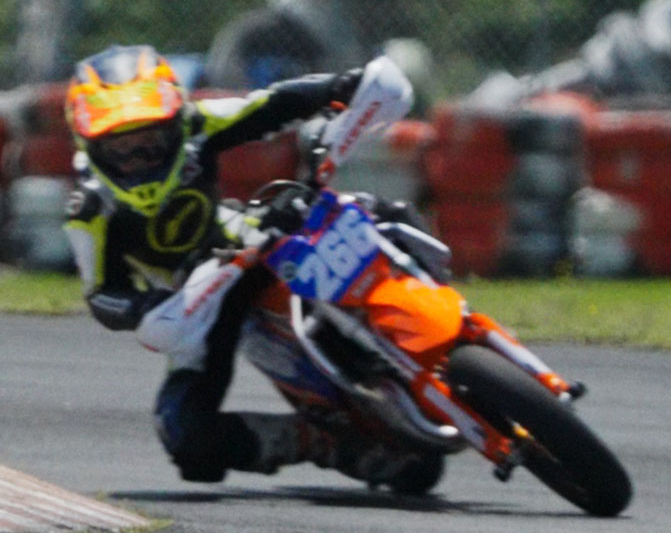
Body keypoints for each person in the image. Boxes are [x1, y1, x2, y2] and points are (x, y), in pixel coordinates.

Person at [62, 42, 439, 487]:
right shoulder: (89, 209)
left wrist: (337, 88)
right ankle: (324, 440)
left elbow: (270, 105)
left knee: (373, 211)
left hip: (248, 239)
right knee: (185, 438)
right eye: (122, 149)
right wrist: (148, 309)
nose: (140, 159)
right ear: (90, 144)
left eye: (151, 141)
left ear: (175, 123)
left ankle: (436, 296)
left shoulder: (197, 127)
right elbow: (102, 293)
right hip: (197, 303)